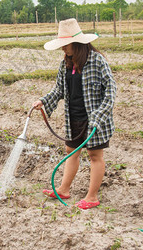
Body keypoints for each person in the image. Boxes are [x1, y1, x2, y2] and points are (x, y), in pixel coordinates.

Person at [32, 18, 116, 210]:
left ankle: (92, 197)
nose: (63, 49)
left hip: (94, 119)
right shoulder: (66, 65)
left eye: (65, 45)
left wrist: (99, 115)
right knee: (72, 152)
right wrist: (43, 101)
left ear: (76, 44)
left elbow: (111, 91)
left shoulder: (97, 61)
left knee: (95, 155)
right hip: (74, 117)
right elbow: (59, 90)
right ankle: (63, 189)